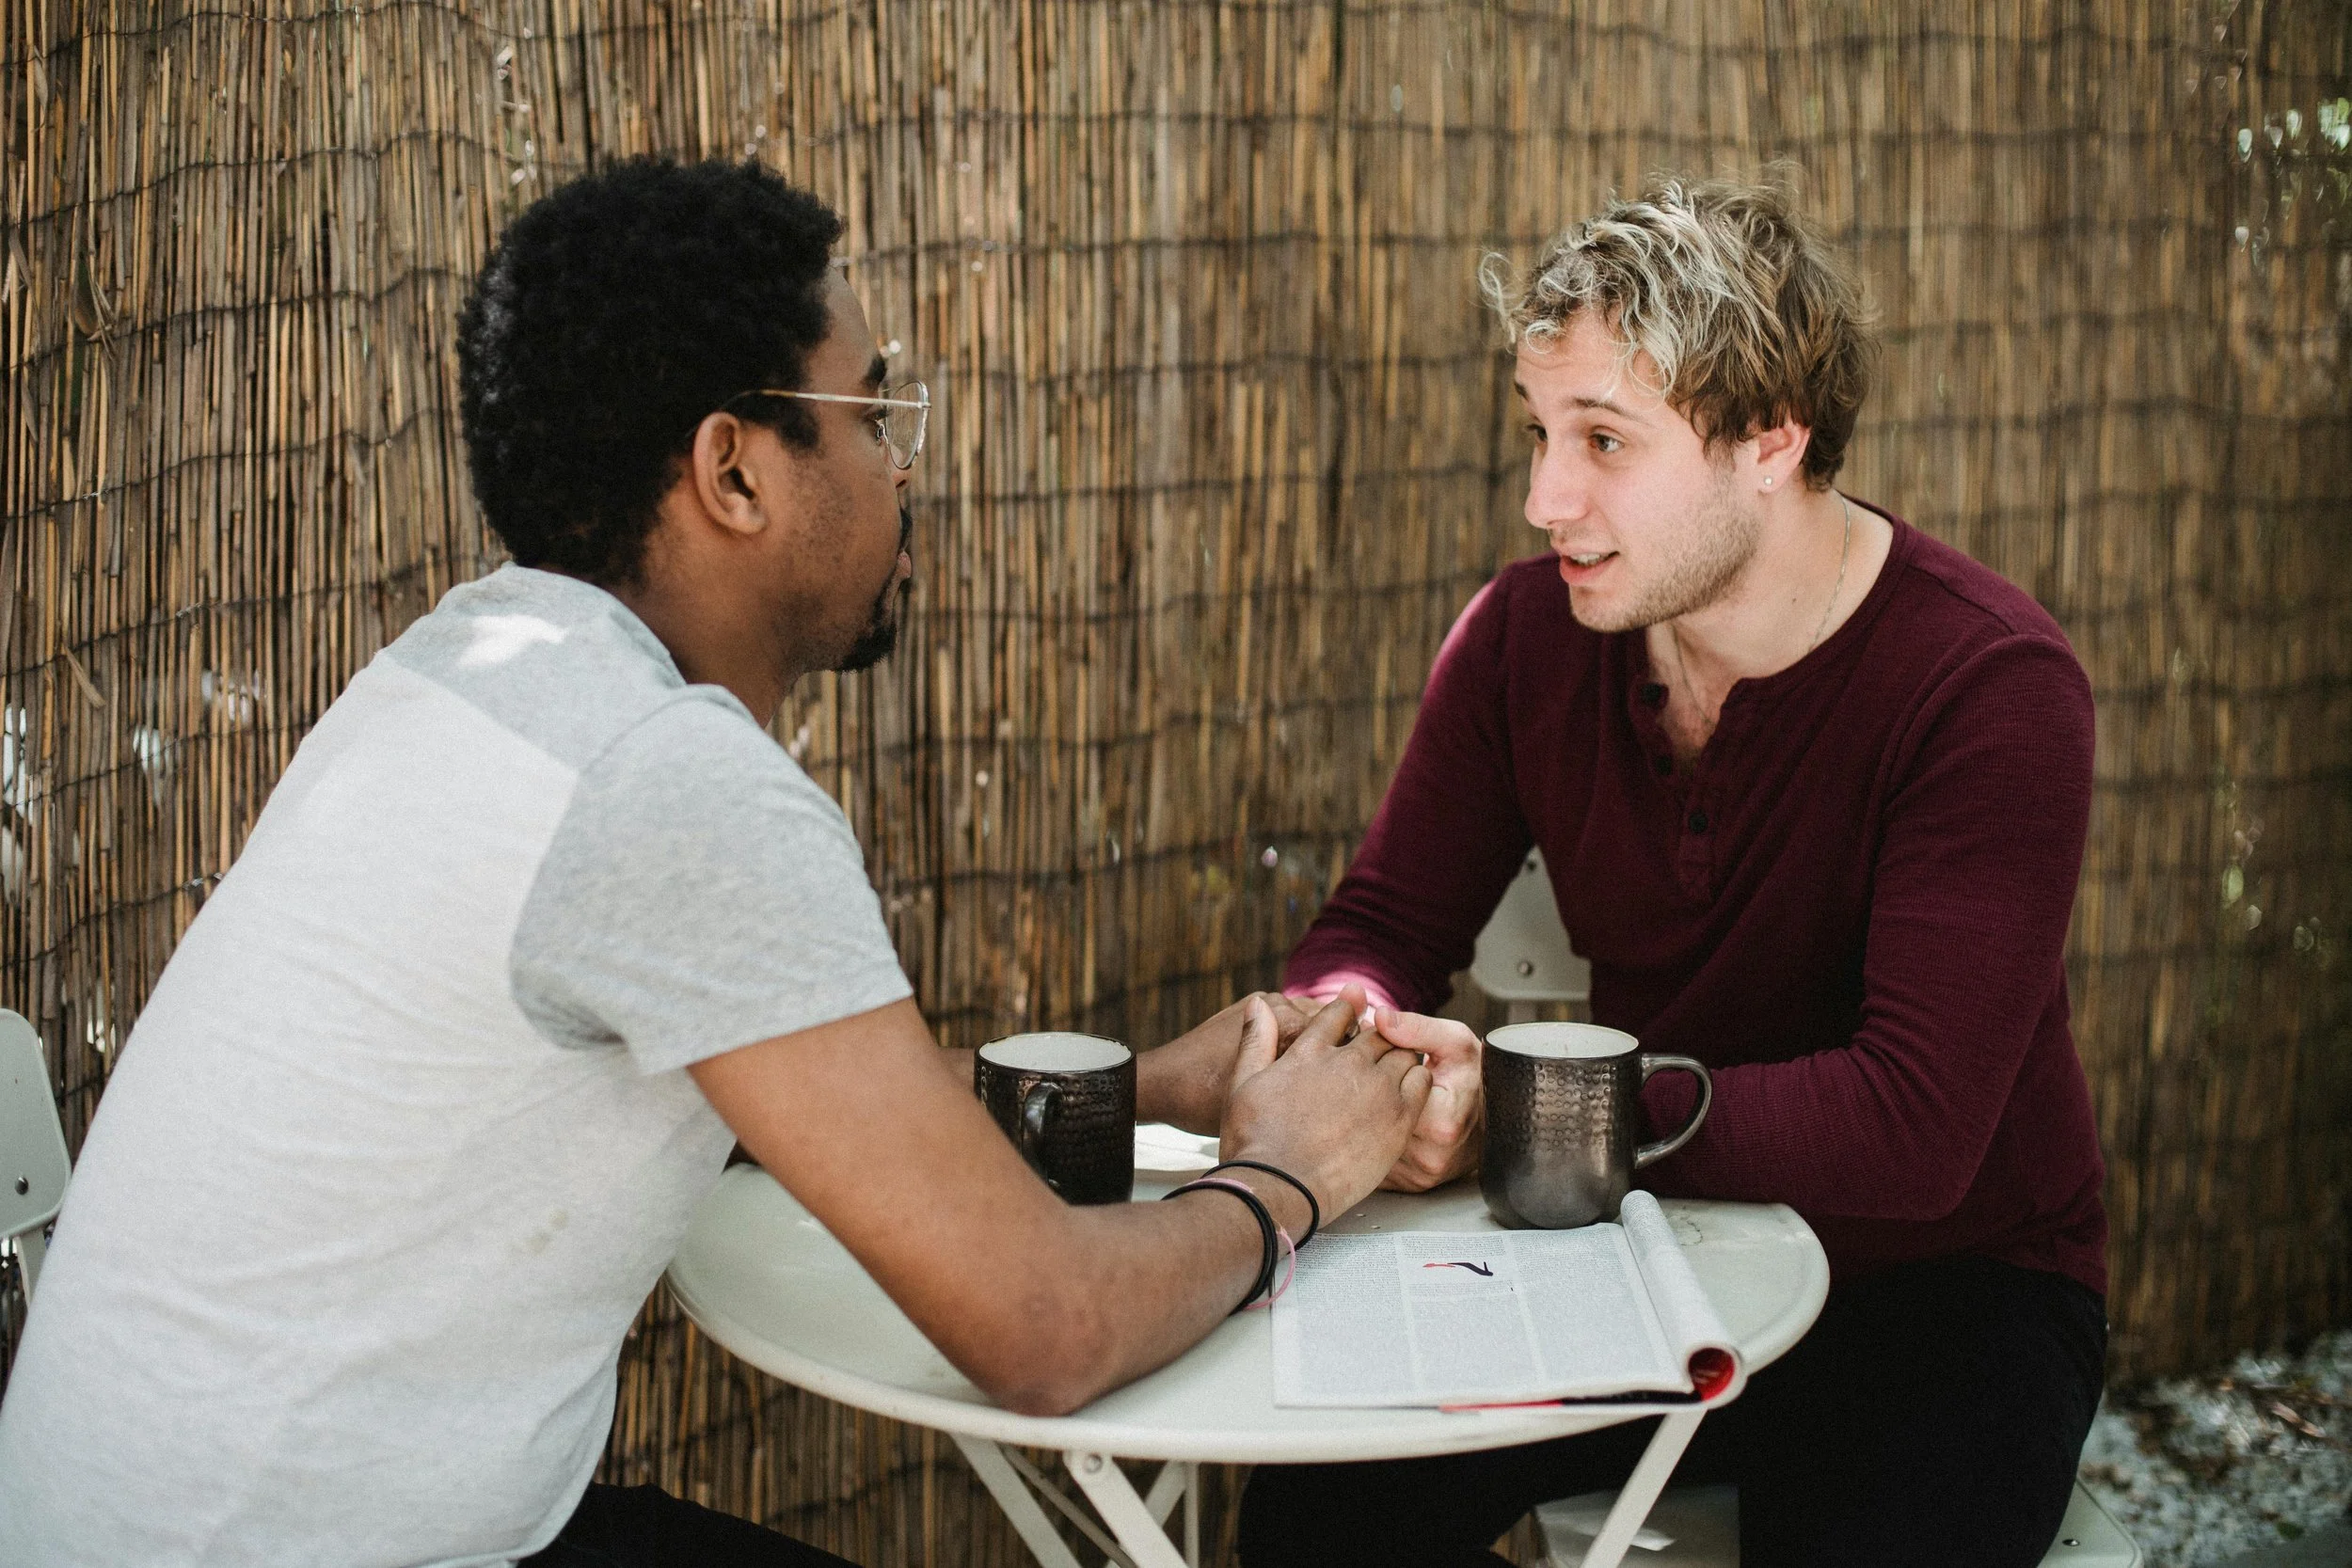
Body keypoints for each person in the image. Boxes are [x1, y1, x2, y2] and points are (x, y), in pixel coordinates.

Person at [0, 159, 1437, 1568]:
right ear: (734, 469)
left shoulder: (471, 668)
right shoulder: (662, 781)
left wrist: (1166, 1087)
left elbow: (794, 1096)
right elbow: (1046, 1333)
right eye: (872, 410)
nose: (901, 459)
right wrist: (1286, 1173)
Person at [1241, 176, 2110, 1567]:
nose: (1544, 496)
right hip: (1631, 1240)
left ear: (1772, 436)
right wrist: (1353, 1033)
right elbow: (1386, 921)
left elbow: (1916, 1123)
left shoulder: (1990, 686)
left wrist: (1525, 1116)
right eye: (1540, 433)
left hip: (1945, 1290)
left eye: (1602, 439)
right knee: (1319, 1511)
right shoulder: (1528, 641)